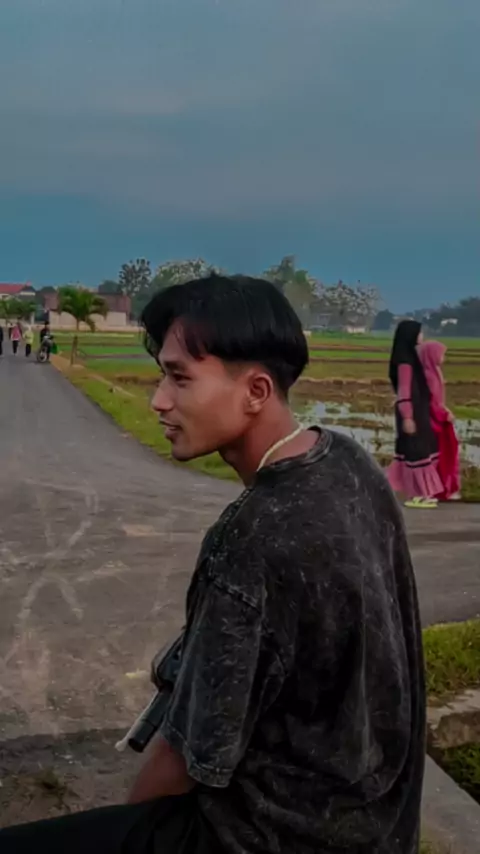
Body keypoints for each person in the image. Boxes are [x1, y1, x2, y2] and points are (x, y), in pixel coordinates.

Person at [0, 275, 426, 854]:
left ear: (255, 391)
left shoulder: (251, 537)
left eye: (180, 378)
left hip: (265, 836)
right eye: (161, 376)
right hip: (374, 825)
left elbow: (188, 754)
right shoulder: (349, 462)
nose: (159, 400)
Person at [387, 319, 443, 509]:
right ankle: (423, 494)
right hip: (412, 412)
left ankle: (420, 493)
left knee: (419, 449)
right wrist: (408, 417)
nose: (422, 336)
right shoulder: (405, 363)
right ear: (410, 335)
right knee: (417, 451)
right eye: (419, 332)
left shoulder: (411, 358)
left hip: (417, 410)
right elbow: (404, 391)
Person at [418, 341, 461, 501]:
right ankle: (427, 492)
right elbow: (431, 402)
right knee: (433, 456)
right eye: (441, 354)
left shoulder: (434, 373)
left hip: (436, 420)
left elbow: (437, 401)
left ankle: (441, 488)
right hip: (431, 421)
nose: (443, 358)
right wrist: (444, 414)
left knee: (442, 454)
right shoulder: (428, 376)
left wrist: (445, 410)